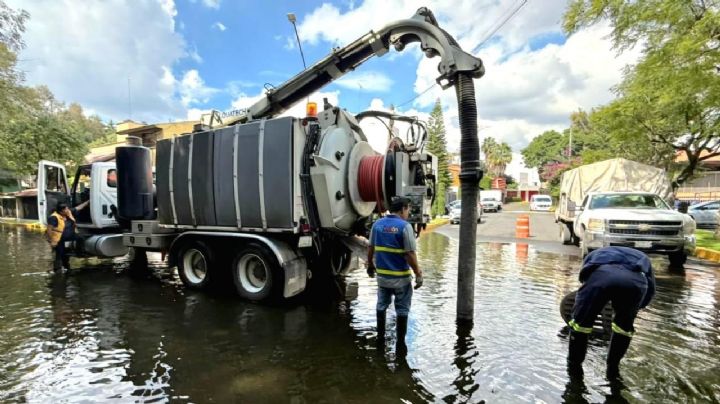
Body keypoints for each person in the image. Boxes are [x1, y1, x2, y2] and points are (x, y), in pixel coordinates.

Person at [567, 246, 655, 379]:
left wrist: (585, 304)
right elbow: (650, 288)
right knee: (623, 328)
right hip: (634, 283)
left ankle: (574, 368)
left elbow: (584, 276)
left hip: (600, 279)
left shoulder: (594, 254)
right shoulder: (643, 257)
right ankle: (613, 368)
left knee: (579, 325)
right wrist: (634, 309)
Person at [367, 196, 423, 355]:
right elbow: (410, 254)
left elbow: (370, 247)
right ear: (403, 209)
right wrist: (418, 274)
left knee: (381, 306)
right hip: (401, 280)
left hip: (383, 279)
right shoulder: (405, 227)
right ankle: (400, 345)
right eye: (408, 210)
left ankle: (380, 339)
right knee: (402, 310)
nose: (409, 213)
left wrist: (370, 265)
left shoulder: (377, 225)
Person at [45, 200, 89, 272]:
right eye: (66, 209)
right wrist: (52, 241)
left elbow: (78, 208)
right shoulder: (54, 217)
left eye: (68, 208)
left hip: (69, 235)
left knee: (80, 238)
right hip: (59, 238)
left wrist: (87, 202)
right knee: (60, 253)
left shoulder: (68, 212)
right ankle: (57, 270)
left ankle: (78, 254)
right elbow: (49, 230)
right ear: (61, 211)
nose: (68, 210)